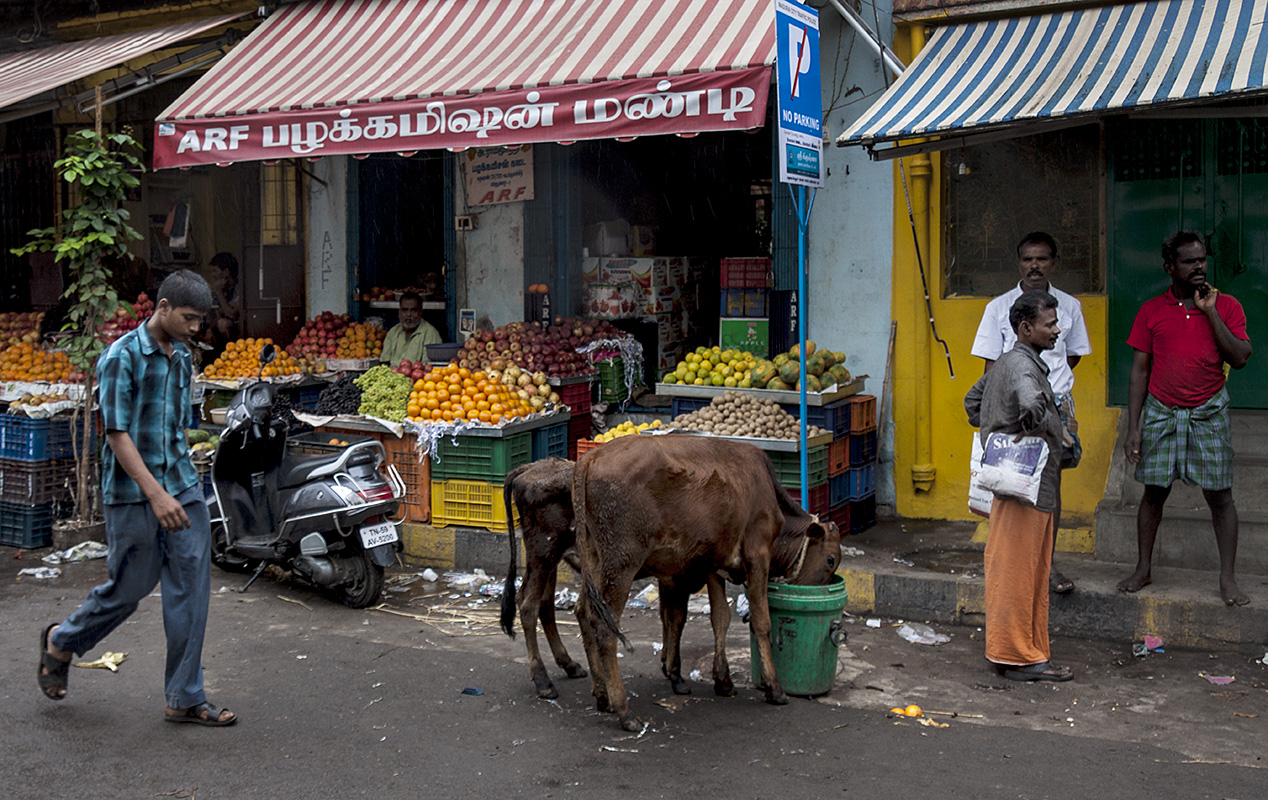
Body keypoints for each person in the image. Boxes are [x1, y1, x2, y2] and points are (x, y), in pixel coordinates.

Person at [37, 269, 238, 725]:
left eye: (200, 321)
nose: (194, 328)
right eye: (188, 318)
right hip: (132, 492)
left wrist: (183, 479)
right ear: (162, 308)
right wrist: (156, 496)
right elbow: (116, 433)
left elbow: (174, 427)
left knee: (191, 588)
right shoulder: (120, 357)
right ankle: (61, 641)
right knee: (130, 589)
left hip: (182, 485)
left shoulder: (184, 357)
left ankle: (185, 696)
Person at [1119, 232, 1252, 606]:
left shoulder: (1226, 306)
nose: (1199, 266)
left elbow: (1240, 357)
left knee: (1221, 497)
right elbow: (1139, 372)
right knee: (1153, 494)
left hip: (1209, 413)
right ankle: (1143, 568)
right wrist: (1134, 428)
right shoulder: (1150, 310)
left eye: (1202, 260)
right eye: (1190, 261)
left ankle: (1227, 578)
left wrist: (1210, 311)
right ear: (1169, 267)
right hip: (1162, 413)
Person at [971, 232, 1091, 595]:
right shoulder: (998, 308)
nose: (1034, 265)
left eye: (1042, 259)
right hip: (1013, 414)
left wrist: (1048, 389)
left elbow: (1073, 356)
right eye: (1028, 259)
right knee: (1008, 486)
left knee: (1048, 488)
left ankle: (1046, 564)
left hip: (1056, 404)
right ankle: (1010, 565)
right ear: (1019, 263)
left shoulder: (1068, 306)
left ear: (1053, 262)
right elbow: (992, 369)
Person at [965, 290, 1072, 682]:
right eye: (1050, 324)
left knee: (1022, 570)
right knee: (1019, 574)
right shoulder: (1025, 368)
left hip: (1015, 486)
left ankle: (1024, 653)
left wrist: (996, 424)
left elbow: (971, 402)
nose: (1057, 330)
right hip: (1027, 488)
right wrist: (1035, 430)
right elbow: (1031, 406)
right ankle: (1017, 658)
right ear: (1026, 328)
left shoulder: (1007, 363)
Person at [380, 290, 442, 364]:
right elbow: (384, 363)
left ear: (420, 312)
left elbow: (428, 367)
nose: (408, 314)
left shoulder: (430, 334)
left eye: (413, 310)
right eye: (405, 310)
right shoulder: (393, 332)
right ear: (399, 312)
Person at [204, 252, 241, 361]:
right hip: (221, 328)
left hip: (240, 327)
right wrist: (209, 328)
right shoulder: (224, 287)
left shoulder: (239, 288)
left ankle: (233, 358)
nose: (213, 275)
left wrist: (219, 293)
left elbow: (232, 313)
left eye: (215, 271)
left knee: (223, 324)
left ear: (226, 272)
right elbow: (219, 312)